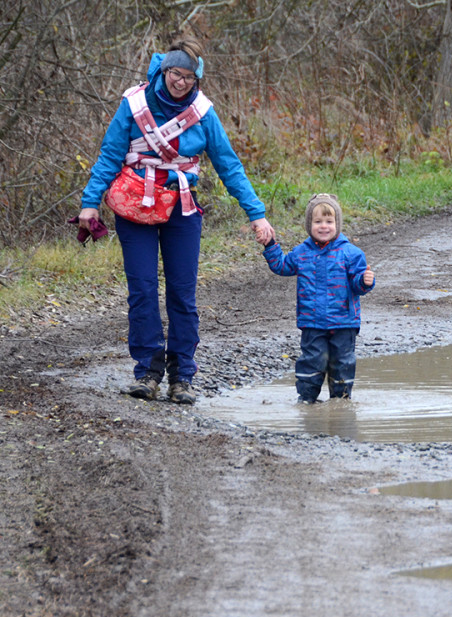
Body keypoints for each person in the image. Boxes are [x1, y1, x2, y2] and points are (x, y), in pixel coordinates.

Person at [78, 38, 275, 405]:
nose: (180, 82)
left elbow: (228, 164)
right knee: (142, 290)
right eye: (174, 74)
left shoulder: (203, 112)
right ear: (162, 70)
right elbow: (109, 156)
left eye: (188, 77)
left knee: (182, 294)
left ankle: (181, 375)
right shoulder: (134, 104)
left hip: (181, 208)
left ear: (197, 79)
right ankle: (147, 372)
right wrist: (90, 203)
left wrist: (256, 212)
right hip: (135, 207)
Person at [260, 194, 375, 403]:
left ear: (337, 224)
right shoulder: (302, 253)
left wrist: (365, 281)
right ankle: (307, 399)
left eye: (329, 222)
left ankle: (340, 400)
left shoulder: (351, 253)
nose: (324, 227)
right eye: (318, 222)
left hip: (344, 322)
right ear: (309, 225)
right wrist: (270, 245)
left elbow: (357, 286)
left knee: (342, 362)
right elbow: (282, 266)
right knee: (312, 360)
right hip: (312, 321)